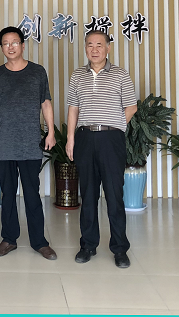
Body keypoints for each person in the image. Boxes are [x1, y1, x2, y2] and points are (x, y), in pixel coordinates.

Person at [0, 26, 58, 260]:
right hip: (4, 143)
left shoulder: (37, 72)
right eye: (6, 43)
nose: (10, 47)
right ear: (1, 48)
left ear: (23, 45)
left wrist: (51, 132)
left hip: (30, 143)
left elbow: (46, 103)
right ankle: (9, 239)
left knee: (32, 194)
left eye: (14, 42)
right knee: (7, 195)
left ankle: (39, 242)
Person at [66, 29, 137, 268]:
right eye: (90, 45)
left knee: (114, 195)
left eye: (99, 45)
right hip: (85, 138)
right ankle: (88, 245)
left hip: (111, 140)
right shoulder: (77, 75)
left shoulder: (120, 74)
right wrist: (70, 139)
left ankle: (120, 248)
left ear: (108, 48)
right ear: (85, 48)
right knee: (88, 195)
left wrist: (116, 125)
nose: (94, 49)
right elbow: (73, 109)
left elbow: (131, 106)